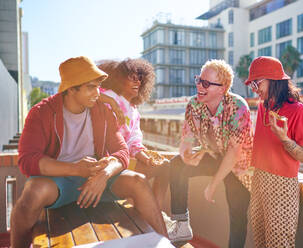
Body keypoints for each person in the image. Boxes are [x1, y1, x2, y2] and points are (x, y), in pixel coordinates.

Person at [10, 56, 167, 248]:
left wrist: (105, 173)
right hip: (60, 181)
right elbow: (27, 161)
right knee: (32, 193)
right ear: (72, 88)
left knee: (139, 182)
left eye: (98, 86)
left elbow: (122, 152)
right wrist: (75, 169)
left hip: (97, 179)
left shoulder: (102, 111)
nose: (98, 92)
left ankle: (165, 243)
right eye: (91, 87)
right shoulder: (41, 113)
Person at [167, 59, 253, 247]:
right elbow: (188, 138)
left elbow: (233, 153)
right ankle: (181, 224)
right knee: (176, 164)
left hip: (239, 167)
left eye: (206, 83)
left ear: (222, 88)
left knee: (237, 213)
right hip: (214, 157)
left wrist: (213, 185)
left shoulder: (239, 107)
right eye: (198, 80)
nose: (199, 85)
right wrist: (188, 153)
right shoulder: (194, 104)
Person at [244, 56, 303, 248]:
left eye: (256, 83)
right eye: (252, 85)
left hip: (282, 184)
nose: (255, 89)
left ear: (273, 80)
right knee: (259, 240)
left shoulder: (298, 111)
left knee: (279, 242)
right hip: (259, 178)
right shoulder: (263, 106)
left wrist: (284, 139)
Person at [97, 58, 169, 210]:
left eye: (141, 79)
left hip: (124, 162)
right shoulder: (110, 95)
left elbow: (134, 141)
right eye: (132, 79)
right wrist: (111, 101)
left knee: (165, 166)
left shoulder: (135, 112)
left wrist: (144, 156)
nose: (138, 83)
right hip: (104, 161)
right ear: (119, 79)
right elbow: (89, 92)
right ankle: (145, 215)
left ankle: (156, 212)